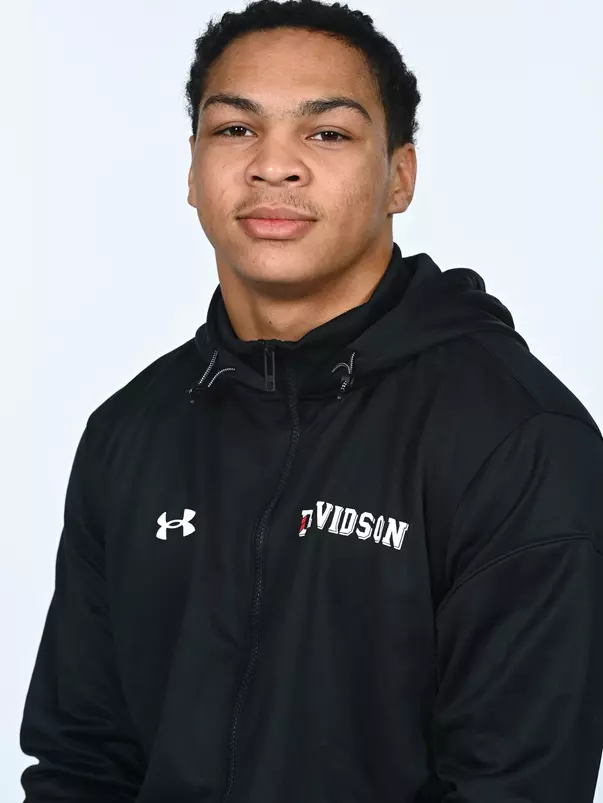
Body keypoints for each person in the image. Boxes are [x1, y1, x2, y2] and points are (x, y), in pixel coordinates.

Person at [20, 0, 603, 800]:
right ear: (192, 172)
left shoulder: (513, 437)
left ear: (398, 175)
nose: (273, 165)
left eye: (325, 133)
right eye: (235, 130)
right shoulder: (132, 429)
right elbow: (80, 759)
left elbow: (514, 784)